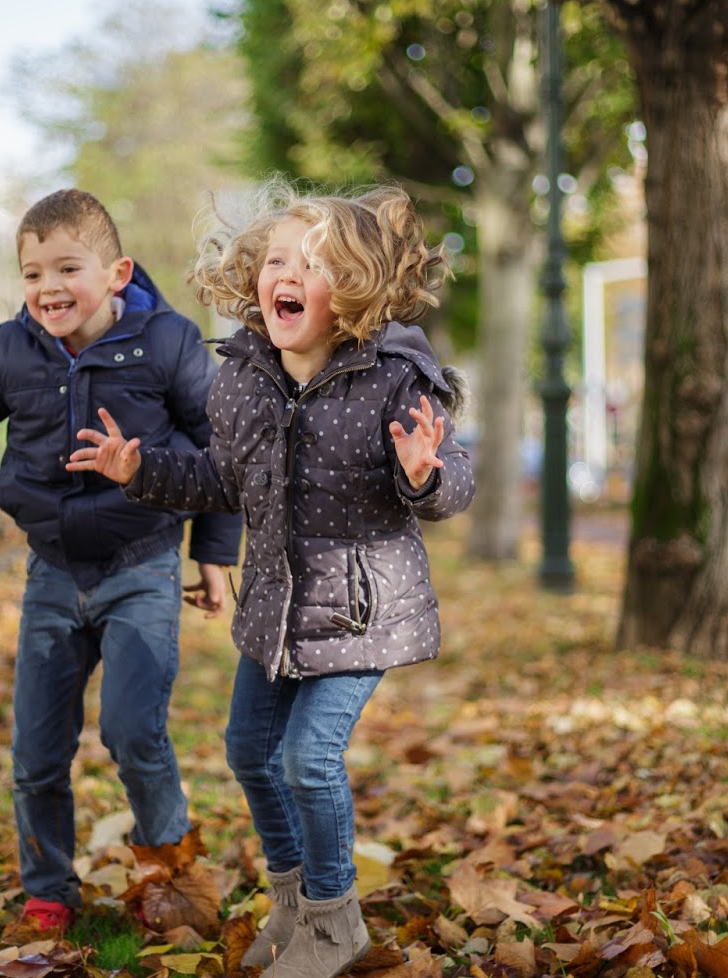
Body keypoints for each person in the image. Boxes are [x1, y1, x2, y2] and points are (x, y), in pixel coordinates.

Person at [68, 181, 475, 978]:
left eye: (314, 265)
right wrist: (140, 469)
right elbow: (224, 480)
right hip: (277, 608)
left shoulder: (396, 377)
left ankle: (334, 921)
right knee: (250, 751)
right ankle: (292, 907)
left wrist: (424, 474)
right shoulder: (244, 376)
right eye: (277, 260)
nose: (286, 275)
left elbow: (452, 481)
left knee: (307, 759)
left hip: (363, 613)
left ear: (353, 288)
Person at [0, 188, 242, 936]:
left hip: (141, 565)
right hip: (51, 575)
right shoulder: (6, 350)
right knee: (37, 751)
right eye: (31, 273)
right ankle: (49, 891)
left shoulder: (169, 342)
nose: (48, 289)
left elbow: (223, 451)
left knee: (132, 733)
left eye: (67, 268)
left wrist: (214, 553)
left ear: (117, 272)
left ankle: (170, 879)